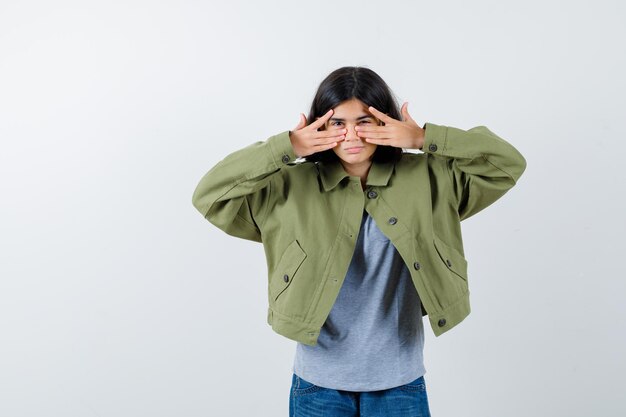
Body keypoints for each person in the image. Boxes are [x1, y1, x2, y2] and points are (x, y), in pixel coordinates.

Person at [191, 66, 527, 417]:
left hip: (400, 382)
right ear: (320, 125)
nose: (352, 134)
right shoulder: (289, 187)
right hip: (317, 385)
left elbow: (507, 163)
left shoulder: (430, 177)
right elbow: (210, 196)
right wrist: (286, 146)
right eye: (338, 123)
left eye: (364, 121)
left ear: (386, 121)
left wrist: (422, 138)